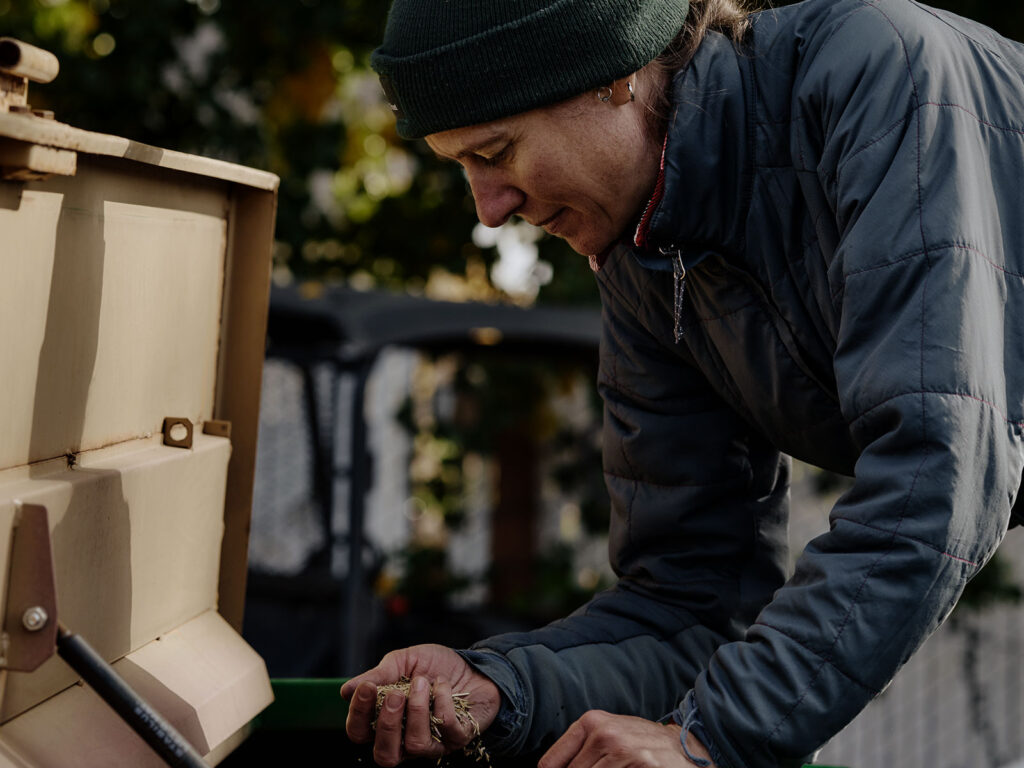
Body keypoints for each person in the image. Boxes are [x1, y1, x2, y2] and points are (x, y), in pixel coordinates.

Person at [341, 0, 1024, 766]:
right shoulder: (643, 251)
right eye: (460, 165)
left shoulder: (884, 76)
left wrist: (707, 740)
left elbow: (939, 474)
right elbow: (692, 605)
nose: (490, 210)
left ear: (616, 78)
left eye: (496, 152)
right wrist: (496, 687)